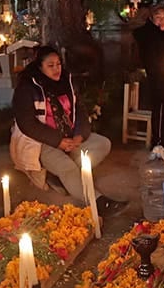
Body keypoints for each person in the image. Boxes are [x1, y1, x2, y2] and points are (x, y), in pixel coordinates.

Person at [10, 46, 126, 216]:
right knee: (67, 168)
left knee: (103, 144)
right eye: (50, 65)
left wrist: (79, 136)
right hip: (41, 142)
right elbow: (27, 123)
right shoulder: (27, 88)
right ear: (40, 67)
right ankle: (99, 203)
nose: (56, 69)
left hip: (69, 137)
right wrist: (58, 141)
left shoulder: (66, 82)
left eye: (58, 64)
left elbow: (80, 111)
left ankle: (59, 177)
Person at [133, 4, 164, 149]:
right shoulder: (150, 36)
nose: (162, 21)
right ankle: (159, 142)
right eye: (158, 17)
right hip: (156, 79)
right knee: (160, 109)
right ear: (152, 19)